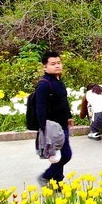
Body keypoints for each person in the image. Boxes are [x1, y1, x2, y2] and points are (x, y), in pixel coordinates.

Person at [34, 51, 73, 185]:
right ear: (45, 67)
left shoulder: (58, 81)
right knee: (66, 155)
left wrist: (69, 117)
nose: (57, 66)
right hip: (52, 128)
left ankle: (56, 182)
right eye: (53, 64)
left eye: (59, 63)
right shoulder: (44, 85)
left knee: (60, 156)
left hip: (62, 125)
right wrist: (43, 128)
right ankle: (46, 176)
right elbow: (40, 108)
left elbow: (63, 101)